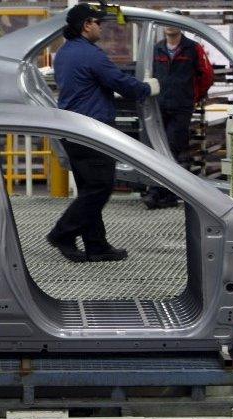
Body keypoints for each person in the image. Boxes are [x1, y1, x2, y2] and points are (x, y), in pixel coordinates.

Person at [46, 3, 159, 263]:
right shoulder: (90, 55)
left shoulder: (64, 53)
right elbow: (119, 82)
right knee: (100, 186)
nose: (101, 28)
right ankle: (62, 233)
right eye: (98, 23)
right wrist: (146, 88)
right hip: (91, 131)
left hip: (72, 128)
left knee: (89, 188)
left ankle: (96, 245)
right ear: (87, 25)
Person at [143, 13, 214, 209]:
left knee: (171, 147)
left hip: (181, 108)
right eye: (165, 22)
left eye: (173, 21)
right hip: (158, 107)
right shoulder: (156, 48)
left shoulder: (193, 48)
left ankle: (159, 192)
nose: (169, 26)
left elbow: (207, 76)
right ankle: (165, 193)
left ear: (179, 25)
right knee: (156, 148)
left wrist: (193, 96)